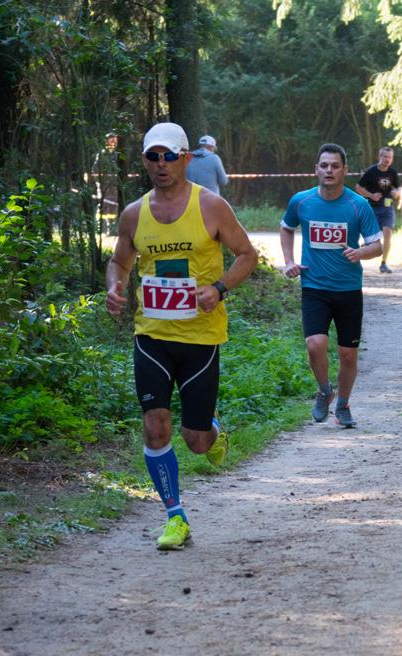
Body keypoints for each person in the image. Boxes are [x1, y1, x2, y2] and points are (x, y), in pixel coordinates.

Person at [106, 122, 258, 550]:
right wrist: (113, 286)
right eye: (153, 156)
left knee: (195, 442)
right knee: (155, 427)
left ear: (186, 158)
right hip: (151, 335)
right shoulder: (134, 213)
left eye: (169, 156)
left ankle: (210, 428)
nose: (161, 164)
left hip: (200, 337)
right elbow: (119, 261)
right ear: (144, 161)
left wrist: (220, 288)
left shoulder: (211, 206)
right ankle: (175, 516)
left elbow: (248, 254)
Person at [280, 143, 383, 428]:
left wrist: (360, 252)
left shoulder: (357, 205)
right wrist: (288, 260)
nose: (329, 170)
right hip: (314, 287)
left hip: (348, 289)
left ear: (344, 171)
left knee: (348, 355)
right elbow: (286, 227)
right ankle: (325, 390)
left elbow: (377, 245)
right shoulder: (301, 201)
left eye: (335, 166)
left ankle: (344, 404)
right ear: (316, 169)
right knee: (315, 345)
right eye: (324, 165)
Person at [355, 146, 402, 273]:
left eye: (390, 157)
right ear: (379, 157)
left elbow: (398, 188)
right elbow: (358, 187)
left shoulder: (392, 172)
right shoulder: (371, 171)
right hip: (373, 208)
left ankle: (384, 263)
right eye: (385, 157)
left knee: (388, 234)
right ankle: (363, 252)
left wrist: (396, 193)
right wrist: (371, 195)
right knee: (373, 239)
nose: (387, 160)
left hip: (387, 207)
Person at [92, 132, 120, 232]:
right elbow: (95, 171)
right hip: (104, 186)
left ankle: (112, 228)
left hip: (115, 186)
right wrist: (100, 183)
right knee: (103, 205)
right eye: (111, 141)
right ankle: (100, 228)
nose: (113, 143)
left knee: (114, 206)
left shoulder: (118, 155)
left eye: (115, 141)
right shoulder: (101, 155)